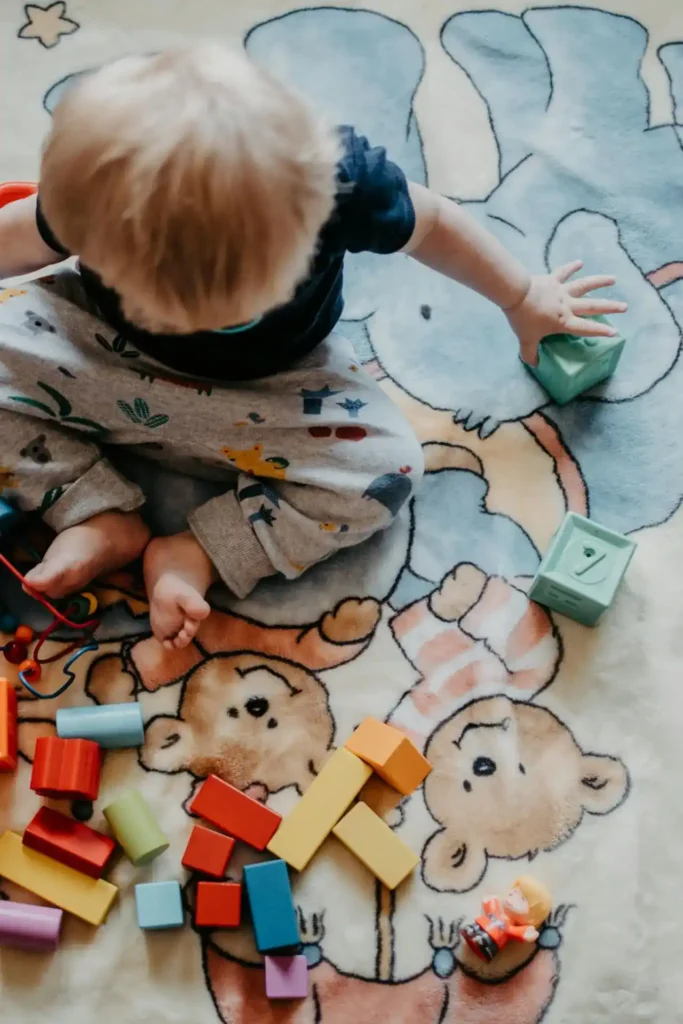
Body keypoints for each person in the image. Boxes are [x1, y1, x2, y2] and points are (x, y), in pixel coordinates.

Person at [0, 45, 627, 649]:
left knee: (386, 471)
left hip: (278, 389)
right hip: (95, 350)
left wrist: (520, 297)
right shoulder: (99, 196)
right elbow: (17, 238)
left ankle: (200, 551)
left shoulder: (336, 182)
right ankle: (91, 507)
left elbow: (431, 224)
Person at [461, 876, 553, 963]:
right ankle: (471, 933)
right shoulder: (498, 913)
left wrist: (526, 932)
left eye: (521, 899)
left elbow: (516, 932)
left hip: (492, 940)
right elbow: (492, 910)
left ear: (531, 917)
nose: (513, 897)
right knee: (472, 931)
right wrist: (490, 902)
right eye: (514, 892)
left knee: (485, 944)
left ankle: (484, 947)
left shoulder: (509, 927)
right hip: (481, 924)